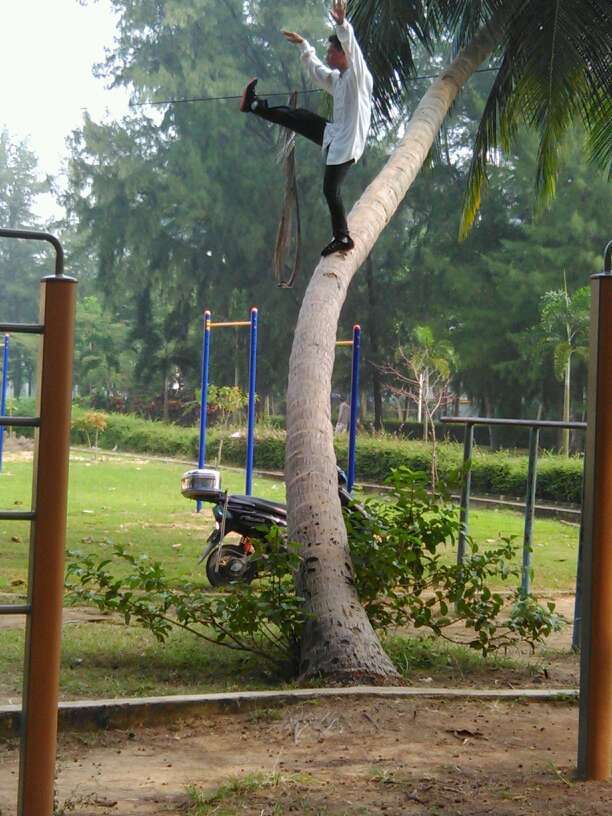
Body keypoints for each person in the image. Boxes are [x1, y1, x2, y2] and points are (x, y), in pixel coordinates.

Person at [239, 0, 373, 258]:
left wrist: (342, 23)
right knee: (297, 116)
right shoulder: (339, 79)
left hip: (347, 144)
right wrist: (304, 46)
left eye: (331, 51)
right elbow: (317, 72)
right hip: (334, 135)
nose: (328, 54)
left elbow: (353, 48)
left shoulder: (358, 75)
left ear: (343, 53)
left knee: (330, 189)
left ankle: (342, 236)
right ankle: (254, 105)